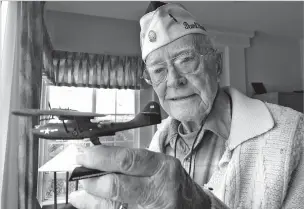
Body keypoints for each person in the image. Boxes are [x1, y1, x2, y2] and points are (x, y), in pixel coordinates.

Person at [69, 2, 304, 209]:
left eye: (186, 60)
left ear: (217, 64)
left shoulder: (292, 134)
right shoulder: (159, 142)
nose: (173, 80)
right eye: (159, 71)